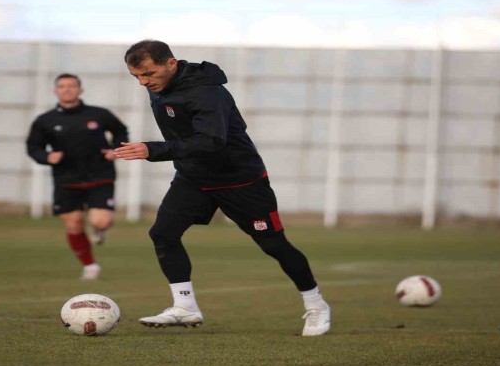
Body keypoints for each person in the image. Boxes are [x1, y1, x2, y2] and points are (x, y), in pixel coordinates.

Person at [115, 39, 330, 336]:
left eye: (148, 74)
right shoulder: (159, 87)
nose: (143, 82)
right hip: (194, 178)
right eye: (136, 76)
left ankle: (316, 305)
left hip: (239, 179)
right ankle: (185, 306)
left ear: (171, 64)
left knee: (274, 245)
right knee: (163, 233)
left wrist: (152, 149)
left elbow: (211, 142)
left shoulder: (206, 93)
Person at [26, 73, 129, 280]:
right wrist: (47, 157)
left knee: (100, 222)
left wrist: (115, 149)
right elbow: (33, 147)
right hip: (66, 178)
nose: (67, 89)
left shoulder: (99, 114)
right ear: (56, 91)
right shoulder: (45, 120)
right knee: (73, 224)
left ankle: (99, 229)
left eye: (71, 86)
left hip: (99, 174)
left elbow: (121, 131)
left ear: (80, 90)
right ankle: (90, 266)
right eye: (62, 86)